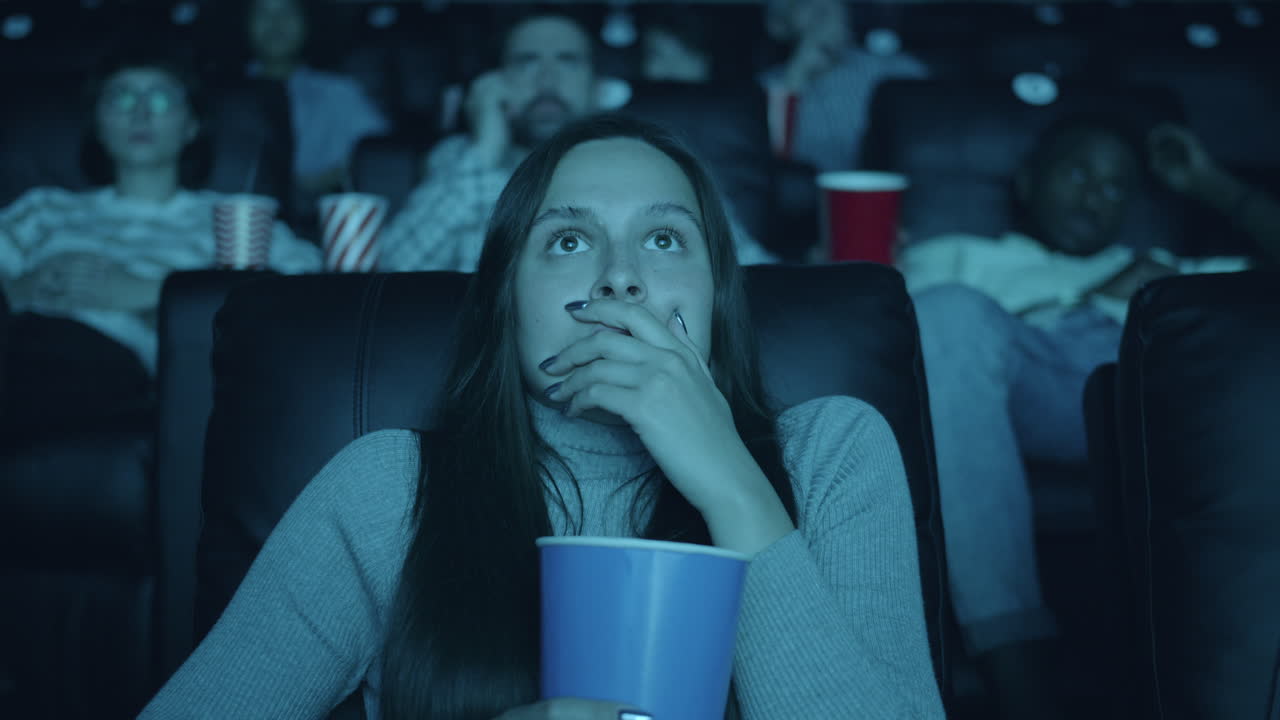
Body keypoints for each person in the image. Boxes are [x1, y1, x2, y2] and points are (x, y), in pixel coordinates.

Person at [138, 114, 944, 719]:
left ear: (716, 302)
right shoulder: (387, 486)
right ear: (507, 304)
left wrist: (729, 478)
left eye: (665, 240)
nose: (621, 278)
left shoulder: (833, 453)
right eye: (567, 242)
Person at [898, 117, 1276, 719]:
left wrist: (1214, 187)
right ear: (1026, 181)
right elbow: (887, 337)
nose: (1095, 195)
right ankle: (1018, 671)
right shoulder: (960, 256)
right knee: (946, 315)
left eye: (1116, 185)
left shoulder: (1164, 264)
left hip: (1150, 397)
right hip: (1023, 383)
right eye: (1077, 172)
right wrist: (1095, 297)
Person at [0, 46, 320, 433]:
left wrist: (153, 293)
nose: (140, 113)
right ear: (97, 123)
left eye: (161, 98)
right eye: (121, 97)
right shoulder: (44, 209)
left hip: (122, 375)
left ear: (191, 125)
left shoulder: (234, 220)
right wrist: (18, 289)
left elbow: (309, 292)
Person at [379, 10, 776, 272]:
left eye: (567, 60)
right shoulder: (462, 161)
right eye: (527, 60)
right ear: (496, 82)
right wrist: (485, 150)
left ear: (597, 88)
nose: (547, 78)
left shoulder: (658, 165)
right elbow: (388, 276)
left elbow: (756, 279)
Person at [243, 0, 390, 203]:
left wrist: (315, 185)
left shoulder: (339, 93)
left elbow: (382, 157)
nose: (275, 24)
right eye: (263, 14)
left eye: (287, 13)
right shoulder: (222, 96)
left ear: (307, 22)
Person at [759, 0, 929, 171]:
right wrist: (797, 75)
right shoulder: (766, 88)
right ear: (778, 25)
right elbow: (773, 161)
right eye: (803, 4)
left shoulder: (898, 70)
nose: (823, 7)